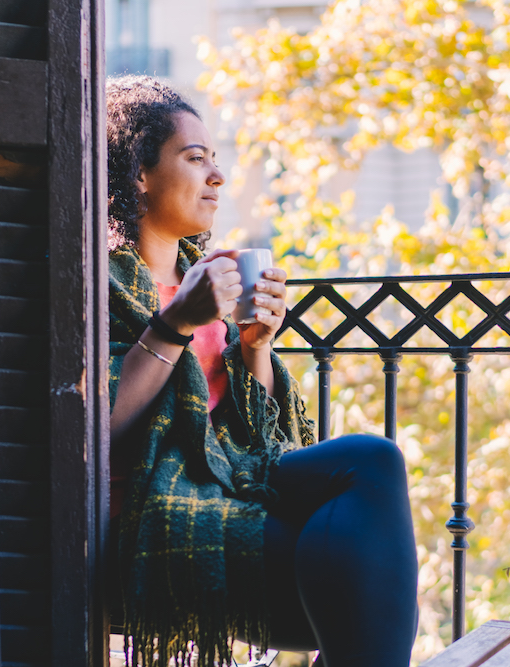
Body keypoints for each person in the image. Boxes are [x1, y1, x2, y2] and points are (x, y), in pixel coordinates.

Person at [106, 76, 418, 667]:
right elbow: (95, 426)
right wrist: (172, 325)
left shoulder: (209, 279)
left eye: (215, 162)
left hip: (231, 477)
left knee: (375, 462)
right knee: (358, 594)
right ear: (139, 175)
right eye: (195, 160)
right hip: (157, 506)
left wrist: (255, 346)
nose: (217, 177)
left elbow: (263, 436)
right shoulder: (102, 284)